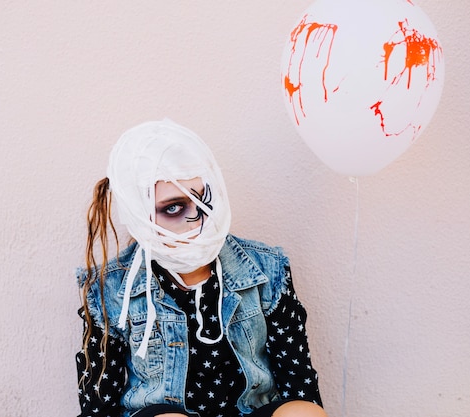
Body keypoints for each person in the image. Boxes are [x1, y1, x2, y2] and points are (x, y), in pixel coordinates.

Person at [75, 119, 327, 417]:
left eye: (203, 199)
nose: (198, 218)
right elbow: (97, 407)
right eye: (173, 207)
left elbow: (301, 388)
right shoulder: (111, 289)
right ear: (140, 215)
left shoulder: (265, 270)